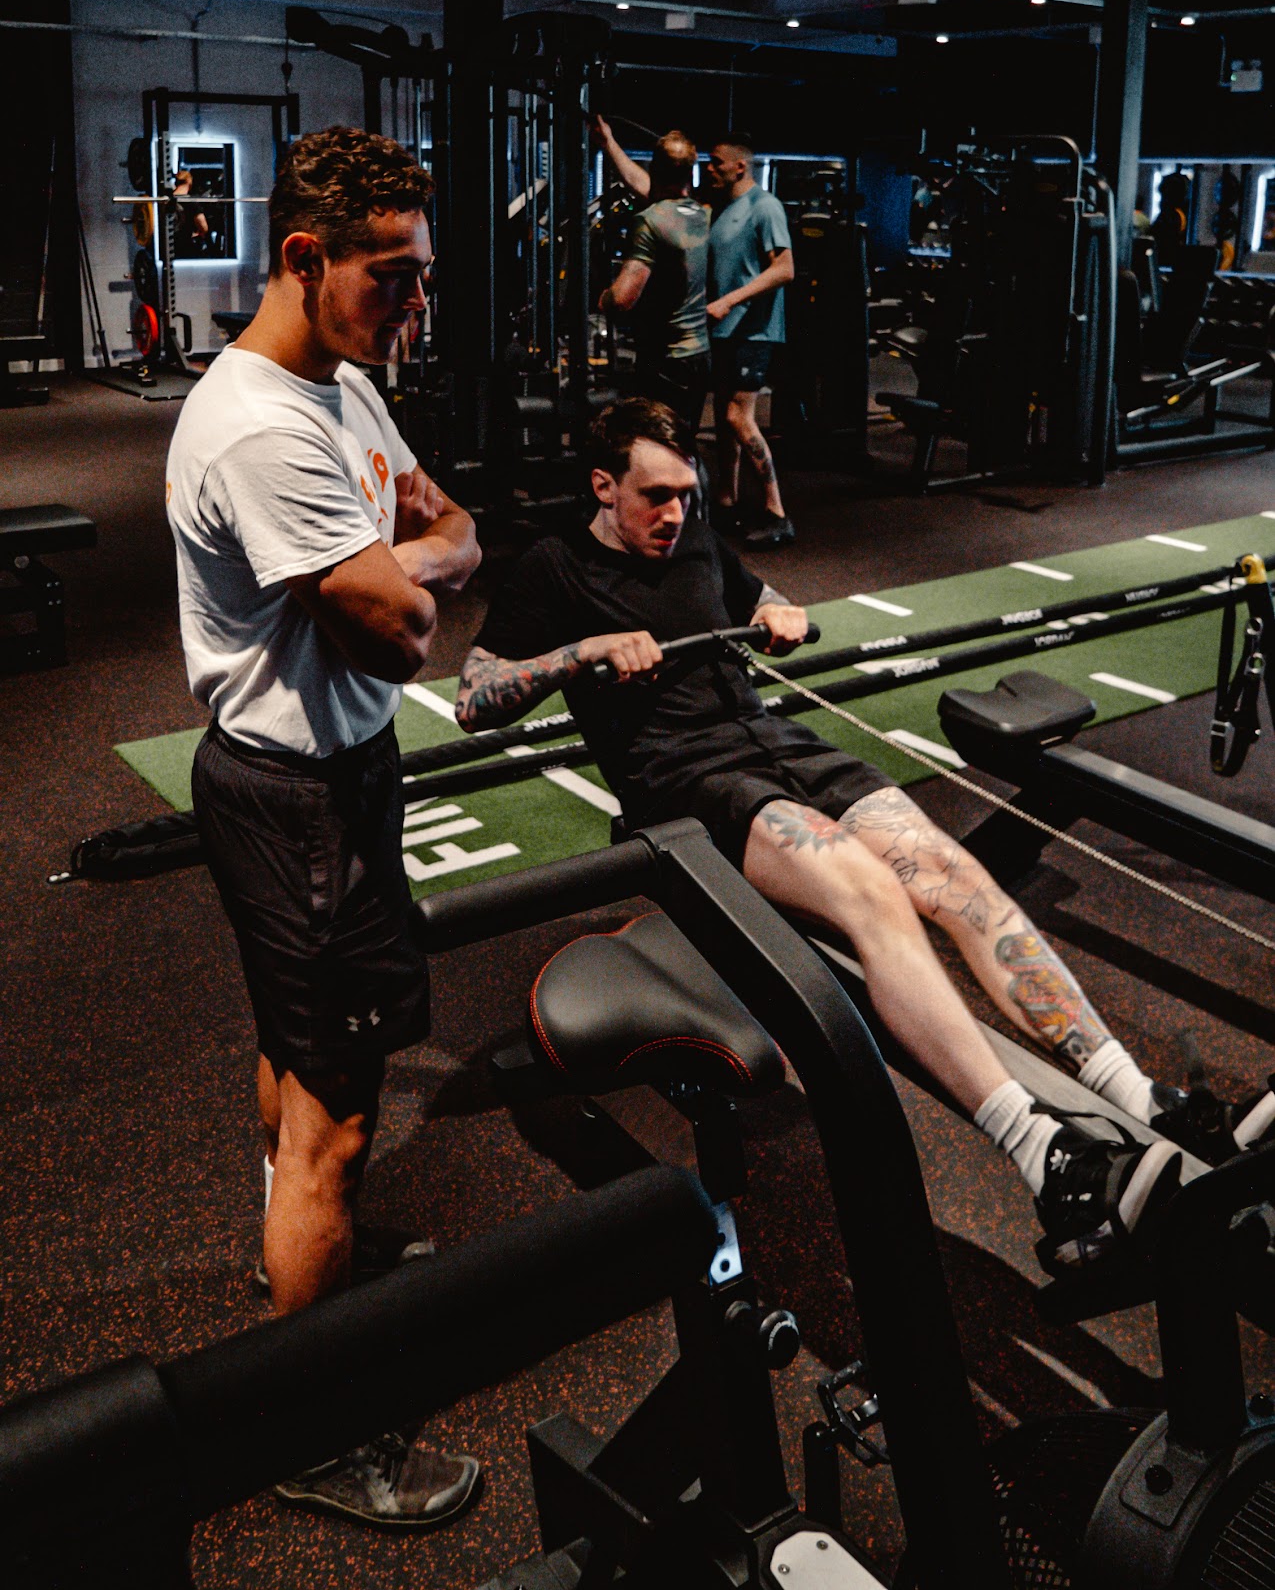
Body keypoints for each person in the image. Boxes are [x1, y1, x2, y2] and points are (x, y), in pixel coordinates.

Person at [455, 397, 1275, 1279]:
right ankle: (1043, 1154)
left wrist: (778, 610)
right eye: (654, 496)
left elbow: (749, 591)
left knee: (951, 873)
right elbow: (473, 697)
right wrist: (579, 654)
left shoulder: (687, 534)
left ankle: (1136, 1094)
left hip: (777, 745)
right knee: (871, 896)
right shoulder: (553, 566)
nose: (675, 514)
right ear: (602, 486)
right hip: (686, 782)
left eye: (686, 495)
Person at [166, 125, 483, 1532]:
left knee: (302, 1059)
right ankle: (313, 1429)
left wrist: (411, 556)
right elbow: (411, 626)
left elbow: (451, 527)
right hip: (294, 796)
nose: (413, 306)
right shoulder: (259, 425)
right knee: (338, 1121)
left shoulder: (344, 382)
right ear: (305, 258)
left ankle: (297, 1251)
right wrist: (412, 569)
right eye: (394, 277)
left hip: (327, 784)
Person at [704, 135, 794, 547]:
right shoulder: (723, 210)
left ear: (739, 166)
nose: (709, 169)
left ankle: (776, 512)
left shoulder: (765, 206)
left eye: (715, 162)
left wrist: (729, 300)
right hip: (726, 332)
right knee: (725, 423)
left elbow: (785, 270)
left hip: (753, 330)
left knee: (740, 419)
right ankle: (727, 502)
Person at [598, 126, 710, 437]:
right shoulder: (699, 213)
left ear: (655, 169)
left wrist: (602, 297)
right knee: (683, 441)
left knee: (660, 445)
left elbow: (622, 299)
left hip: (666, 361)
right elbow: (650, 188)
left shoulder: (649, 221)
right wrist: (608, 141)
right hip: (697, 355)